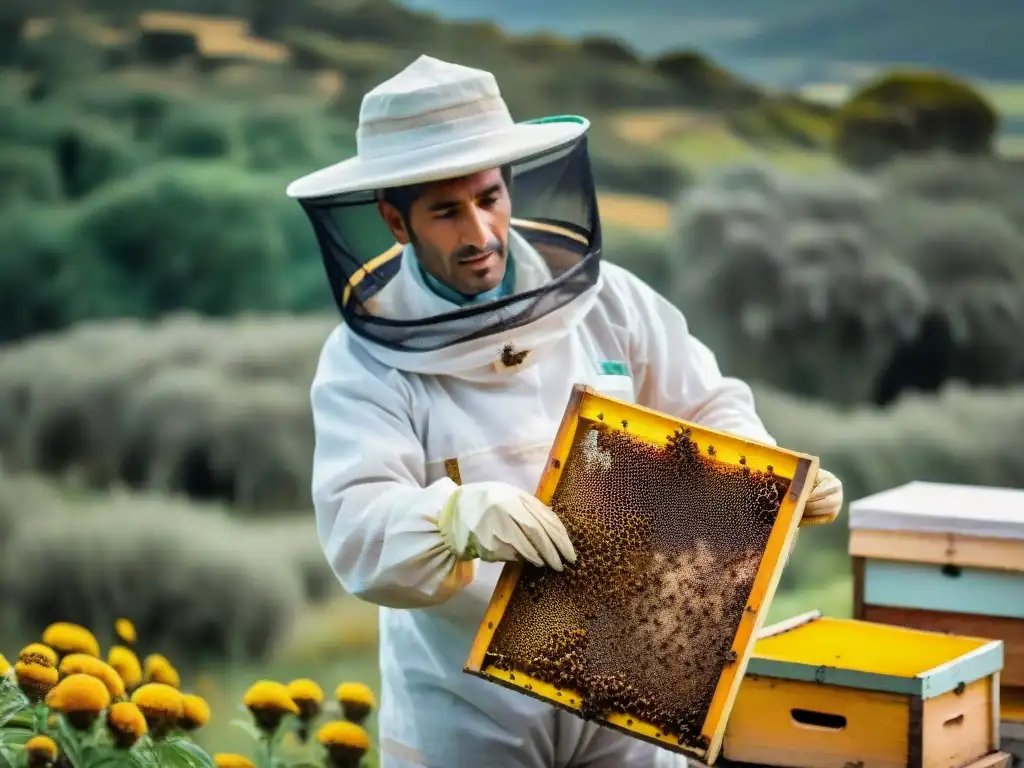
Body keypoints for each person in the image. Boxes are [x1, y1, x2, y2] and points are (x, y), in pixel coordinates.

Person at [287, 55, 844, 768]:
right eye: (447, 211)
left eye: (489, 198)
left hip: (637, 678)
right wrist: (455, 519)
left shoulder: (611, 302)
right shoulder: (364, 360)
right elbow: (358, 531)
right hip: (466, 705)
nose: (481, 233)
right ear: (395, 220)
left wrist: (764, 473)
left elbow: (708, 401)